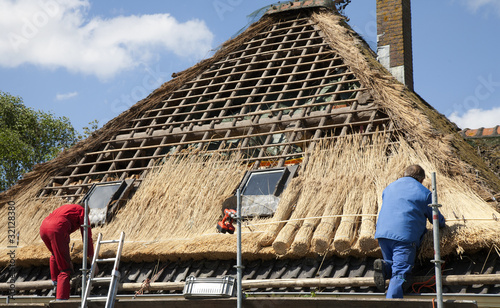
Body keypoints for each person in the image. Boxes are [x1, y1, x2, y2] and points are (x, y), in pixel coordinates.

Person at [374, 165, 445, 298]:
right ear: (421, 179)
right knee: (400, 273)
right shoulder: (424, 192)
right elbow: (435, 218)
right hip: (404, 236)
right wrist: (442, 223)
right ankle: (392, 304)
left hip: (383, 233)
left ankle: (384, 266)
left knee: (392, 263)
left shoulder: (389, 187)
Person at [40, 203, 96, 300]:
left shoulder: (67, 208)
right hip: (57, 228)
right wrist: (93, 263)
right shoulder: (82, 210)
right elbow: (87, 237)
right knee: (65, 269)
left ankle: (55, 283)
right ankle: (62, 301)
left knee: (55, 253)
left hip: (43, 227)